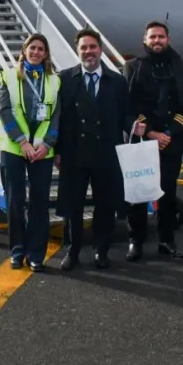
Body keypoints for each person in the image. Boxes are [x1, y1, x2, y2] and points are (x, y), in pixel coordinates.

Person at [54, 27, 134, 270]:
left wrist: (134, 126)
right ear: (78, 51)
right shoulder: (64, 79)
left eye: (93, 47)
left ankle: (101, 249)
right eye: (84, 48)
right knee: (73, 206)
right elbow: (58, 118)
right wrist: (57, 150)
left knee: (105, 205)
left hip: (106, 153)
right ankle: (73, 250)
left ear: (100, 49)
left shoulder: (117, 81)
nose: (89, 52)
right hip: (74, 153)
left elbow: (125, 114)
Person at [122, 21, 183, 260]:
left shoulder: (182, 67)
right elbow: (129, 105)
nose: (157, 41)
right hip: (144, 138)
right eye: (153, 37)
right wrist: (151, 132)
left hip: (171, 139)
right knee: (138, 192)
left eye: (161, 37)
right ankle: (136, 240)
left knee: (167, 192)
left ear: (168, 39)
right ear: (145, 40)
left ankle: (166, 240)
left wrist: (168, 133)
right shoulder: (133, 67)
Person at [0, 33, 61, 272]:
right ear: (24, 51)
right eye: (32, 48)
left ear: (45, 54)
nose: (36, 52)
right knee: (15, 200)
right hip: (14, 147)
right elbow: (4, 111)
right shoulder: (9, 76)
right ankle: (17, 251)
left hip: (43, 149)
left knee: (39, 202)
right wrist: (23, 143)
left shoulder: (55, 80)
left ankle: (36, 254)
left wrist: (47, 144)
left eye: (40, 49)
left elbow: (56, 116)